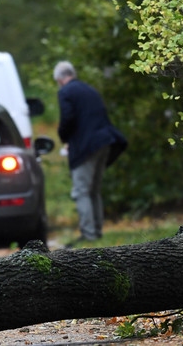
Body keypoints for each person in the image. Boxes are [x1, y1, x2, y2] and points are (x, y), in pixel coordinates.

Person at [53, 61, 127, 245]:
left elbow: (68, 119)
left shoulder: (66, 92)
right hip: (105, 142)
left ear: (60, 79)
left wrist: (64, 137)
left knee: (81, 191)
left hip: (86, 147)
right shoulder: (90, 90)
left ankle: (89, 234)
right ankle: (97, 231)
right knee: (94, 190)